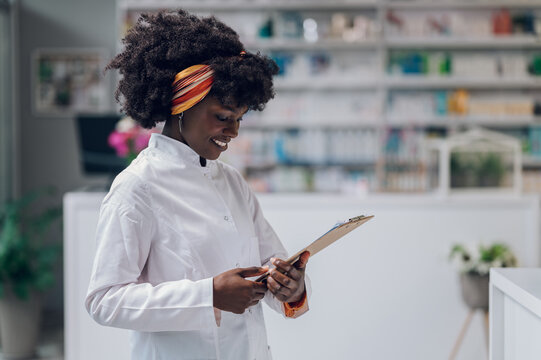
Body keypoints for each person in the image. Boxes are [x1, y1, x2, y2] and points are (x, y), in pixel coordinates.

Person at [85, 9, 310, 360]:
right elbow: (104, 300)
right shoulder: (137, 188)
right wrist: (208, 296)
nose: (233, 132)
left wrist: (288, 286)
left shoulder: (233, 183)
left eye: (238, 120)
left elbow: (270, 262)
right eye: (222, 117)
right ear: (181, 104)